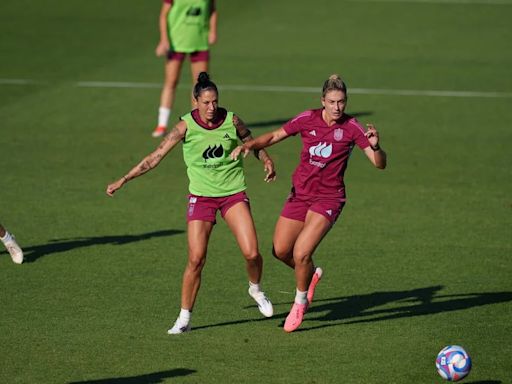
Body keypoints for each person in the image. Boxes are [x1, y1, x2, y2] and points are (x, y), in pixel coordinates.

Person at [107, 72, 276, 334]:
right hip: (201, 198)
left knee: (252, 252)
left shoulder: (231, 120)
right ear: (195, 101)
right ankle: (184, 317)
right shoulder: (185, 127)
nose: (211, 108)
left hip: (232, 193)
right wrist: (124, 179)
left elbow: (250, 141)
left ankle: (255, 289)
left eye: (215, 102)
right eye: (206, 102)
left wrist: (265, 158)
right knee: (196, 259)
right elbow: (155, 157)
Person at [231, 74, 387, 332]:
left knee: (301, 252)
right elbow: (274, 136)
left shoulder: (352, 127)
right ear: (322, 101)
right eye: (332, 102)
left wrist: (377, 146)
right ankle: (310, 274)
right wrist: (250, 146)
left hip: (329, 198)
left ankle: (300, 302)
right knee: (281, 251)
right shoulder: (307, 118)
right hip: (300, 195)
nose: (338, 107)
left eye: (342, 102)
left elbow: (379, 164)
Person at [152, 0, 218, 138]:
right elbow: (163, 15)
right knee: (171, 81)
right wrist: (164, 40)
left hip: (199, 42)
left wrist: (212, 30)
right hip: (176, 42)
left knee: (199, 85)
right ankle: (162, 124)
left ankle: (197, 123)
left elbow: (212, 10)